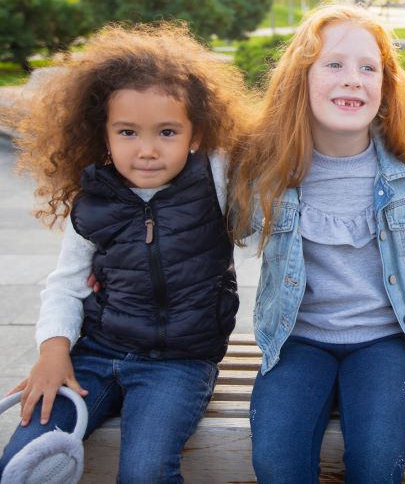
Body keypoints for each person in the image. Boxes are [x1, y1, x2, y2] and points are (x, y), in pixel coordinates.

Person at [0, 25, 248, 482]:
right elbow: (66, 283)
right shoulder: (95, 196)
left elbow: (279, 156)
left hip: (179, 364)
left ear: (197, 136)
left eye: (167, 131)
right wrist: (53, 351)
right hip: (95, 354)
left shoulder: (214, 178)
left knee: (145, 470)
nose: (148, 150)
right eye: (128, 132)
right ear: (105, 135)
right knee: (23, 459)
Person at [227, 4, 405, 484]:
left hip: (385, 342)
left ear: (386, 89)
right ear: (299, 80)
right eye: (334, 64)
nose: (353, 79)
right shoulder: (267, 170)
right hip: (297, 338)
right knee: (276, 462)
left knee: (377, 463)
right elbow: (221, 223)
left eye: (369, 68)